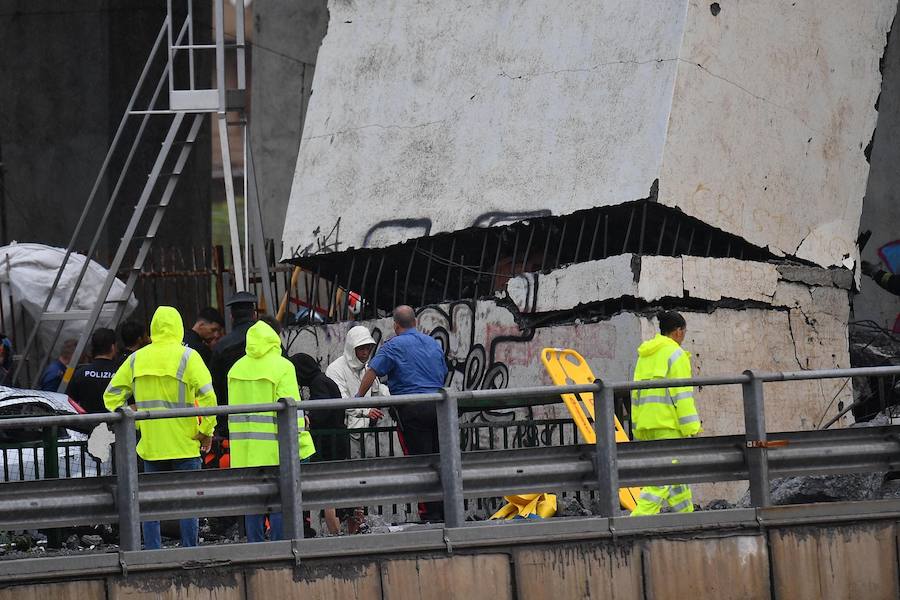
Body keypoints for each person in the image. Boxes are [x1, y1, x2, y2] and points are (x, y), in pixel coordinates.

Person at [103, 306, 217, 549]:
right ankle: (190, 551)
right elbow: (208, 397)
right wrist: (206, 431)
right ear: (178, 327)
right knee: (188, 504)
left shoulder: (137, 358)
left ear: (153, 329)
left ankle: (153, 552)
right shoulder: (189, 356)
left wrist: (130, 412)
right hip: (185, 443)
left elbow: (111, 396)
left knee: (151, 505)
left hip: (152, 445)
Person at [356, 305, 448, 522]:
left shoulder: (393, 346)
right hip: (439, 407)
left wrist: (358, 397)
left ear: (395, 325)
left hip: (412, 410)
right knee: (441, 459)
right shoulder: (432, 343)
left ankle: (430, 514)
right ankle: (445, 511)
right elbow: (442, 372)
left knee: (421, 461)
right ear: (415, 322)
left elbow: (372, 372)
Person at [228, 321, 315, 542]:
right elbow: (291, 410)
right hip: (276, 447)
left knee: (252, 502)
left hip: (245, 449)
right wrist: (301, 443)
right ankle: (280, 545)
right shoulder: (283, 366)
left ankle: (255, 547)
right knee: (279, 502)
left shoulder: (236, 369)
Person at [629, 310, 702, 517]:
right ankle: (636, 521)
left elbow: (635, 393)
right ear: (678, 332)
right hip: (669, 427)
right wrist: (692, 427)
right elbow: (682, 395)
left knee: (676, 478)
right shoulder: (676, 355)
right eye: (685, 332)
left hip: (647, 425)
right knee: (662, 479)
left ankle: (686, 518)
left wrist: (637, 427)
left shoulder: (645, 355)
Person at [292, 352, 350, 535]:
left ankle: (335, 533)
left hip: (329, 445)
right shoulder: (323, 380)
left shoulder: (318, 383)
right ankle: (339, 532)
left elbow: (322, 408)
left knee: (327, 490)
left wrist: (309, 418)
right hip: (336, 441)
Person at [326, 325, 389, 459]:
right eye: (361, 348)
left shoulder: (367, 368)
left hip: (368, 431)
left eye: (368, 348)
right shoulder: (335, 369)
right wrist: (366, 412)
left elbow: (377, 390)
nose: (365, 352)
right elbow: (342, 400)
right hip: (345, 431)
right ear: (351, 348)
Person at [210, 292, 258, 431]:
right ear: (254, 315)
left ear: (231, 317)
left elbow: (215, 385)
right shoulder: (271, 342)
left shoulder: (221, 346)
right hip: (270, 416)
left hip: (232, 420)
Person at [67, 328, 117, 414]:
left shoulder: (79, 373)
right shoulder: (120, 372)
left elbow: (70, 402)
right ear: (113, 347)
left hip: (87, 424)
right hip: (114, 424)